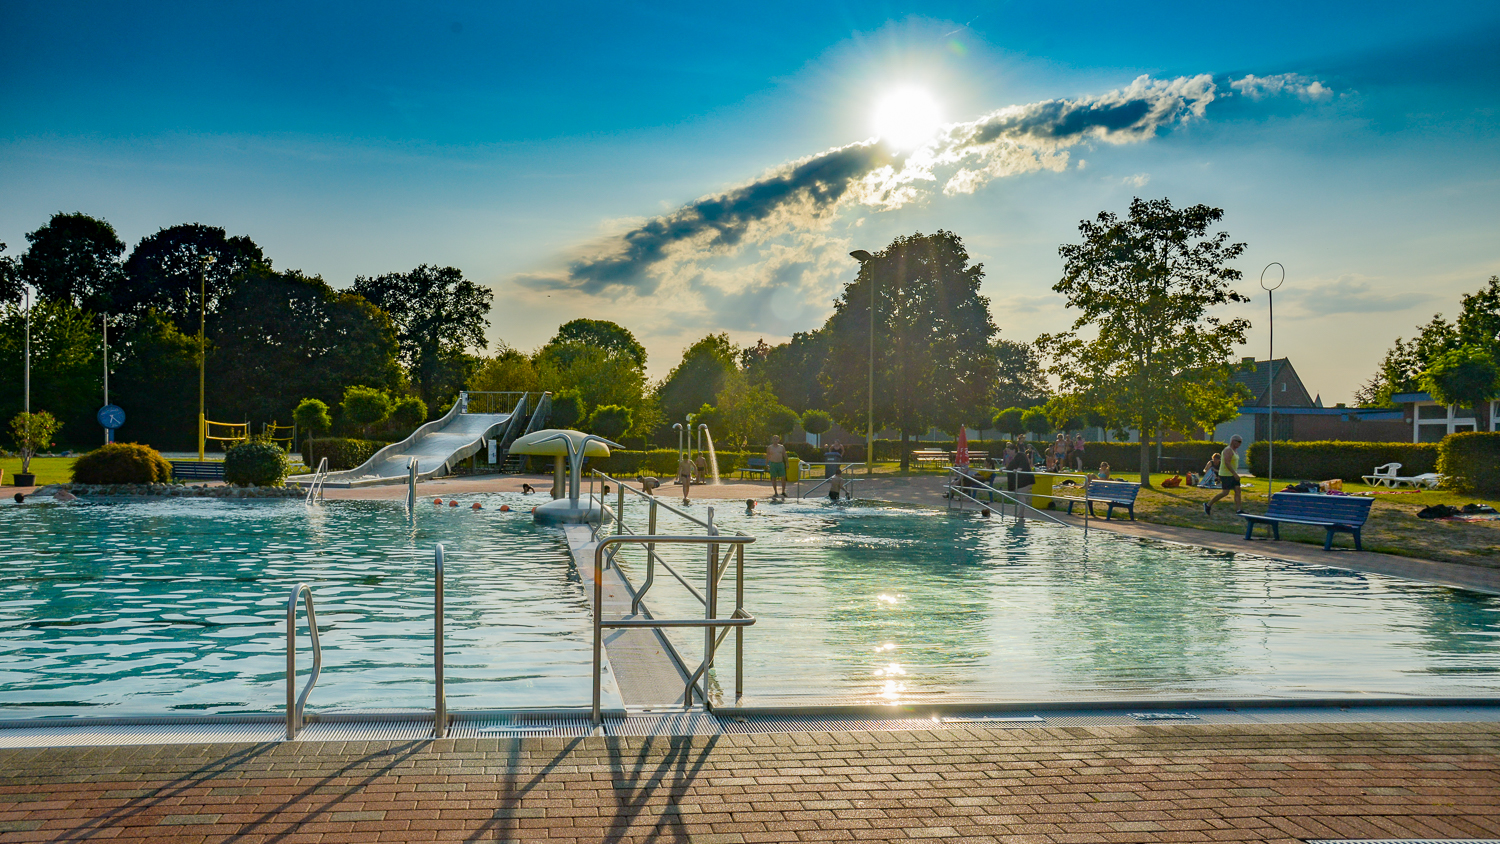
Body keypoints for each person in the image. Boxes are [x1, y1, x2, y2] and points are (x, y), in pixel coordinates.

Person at [1205, 435, 1244, 516]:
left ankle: (1239, 510)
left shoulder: (1235, 451)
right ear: (1233, 441)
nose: (1240, 444)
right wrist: (1234, 474)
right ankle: (1208, 505)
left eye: (1241, 442)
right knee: (1225, 492)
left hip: (1233, 474)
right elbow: (1227, 463)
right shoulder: (1228, 450)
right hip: (1226, 474)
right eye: (1239, 441)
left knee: (1238, 491)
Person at [1005, 441, 1035, 520]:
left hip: (1027, 479)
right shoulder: (1014, 458)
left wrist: (1018, 469)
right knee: (1019, 495)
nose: (1008, 453)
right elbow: (1011, 467)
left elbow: (1023, 463)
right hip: (1022, 480)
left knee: (1020, 494)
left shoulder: (1021, 455)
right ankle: (1020, 513)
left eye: (1009, 451)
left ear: (1014, 450)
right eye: (1007, 451)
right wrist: (1004, 469)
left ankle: (1021, 513)